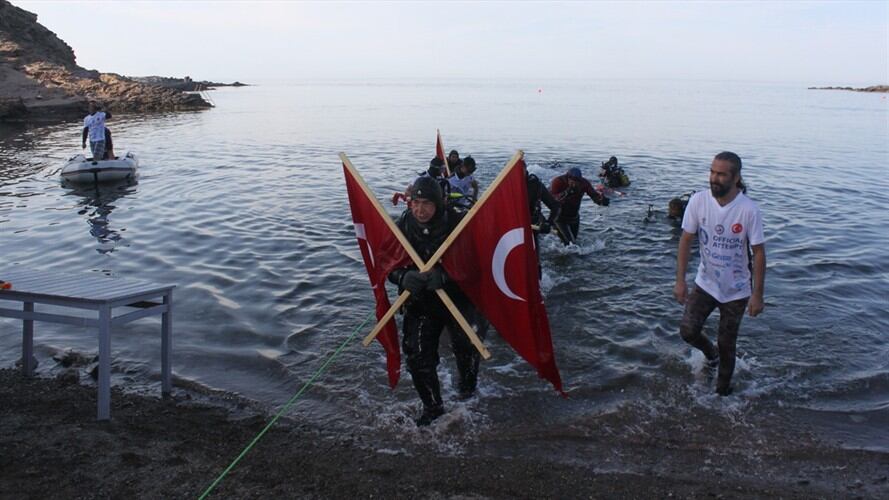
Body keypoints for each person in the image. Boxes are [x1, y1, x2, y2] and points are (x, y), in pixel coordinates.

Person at [388, 176, 489, 426]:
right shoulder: (402, 226)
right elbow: (387, 264)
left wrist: (445, 276)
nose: (420, 210)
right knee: (417, 354)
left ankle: (467, 394)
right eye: (415, 202)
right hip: (422, 300)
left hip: (459, 298)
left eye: (427, 203)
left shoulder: (458, 223)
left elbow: (478, 264)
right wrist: (402, 277)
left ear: (439, 203)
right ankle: (433, 407)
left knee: (466, 347)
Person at [673, 151, 766, 396]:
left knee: (727, 344)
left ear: (736, 178)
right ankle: (709, 355)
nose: (714, 178)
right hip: (706, 282)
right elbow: (685, 240)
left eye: (721, 174)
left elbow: (758, 253)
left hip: (736, 290)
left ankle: (722, 395)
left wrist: (757, 295)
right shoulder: (699, 201)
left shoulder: (748, 210)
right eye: (712, 172)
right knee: (688, 331)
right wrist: (680, 280)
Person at [549, 167, 609, 243]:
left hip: (574, 218)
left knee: (574, 243)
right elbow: (551, 200)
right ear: (567, 178)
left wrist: (601, 201)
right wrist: (565, 193)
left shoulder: (584, 183)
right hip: (559, 218)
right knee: (570, 243)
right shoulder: (558, 181)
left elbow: (594, 196)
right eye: (573, 181)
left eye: (577, 182)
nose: (575, 184)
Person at [526, 168, 562, 246]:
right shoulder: (507, 188)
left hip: (533, 225)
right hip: (514, 227)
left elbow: (555, 206)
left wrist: (548, 223)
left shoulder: (535, 186)